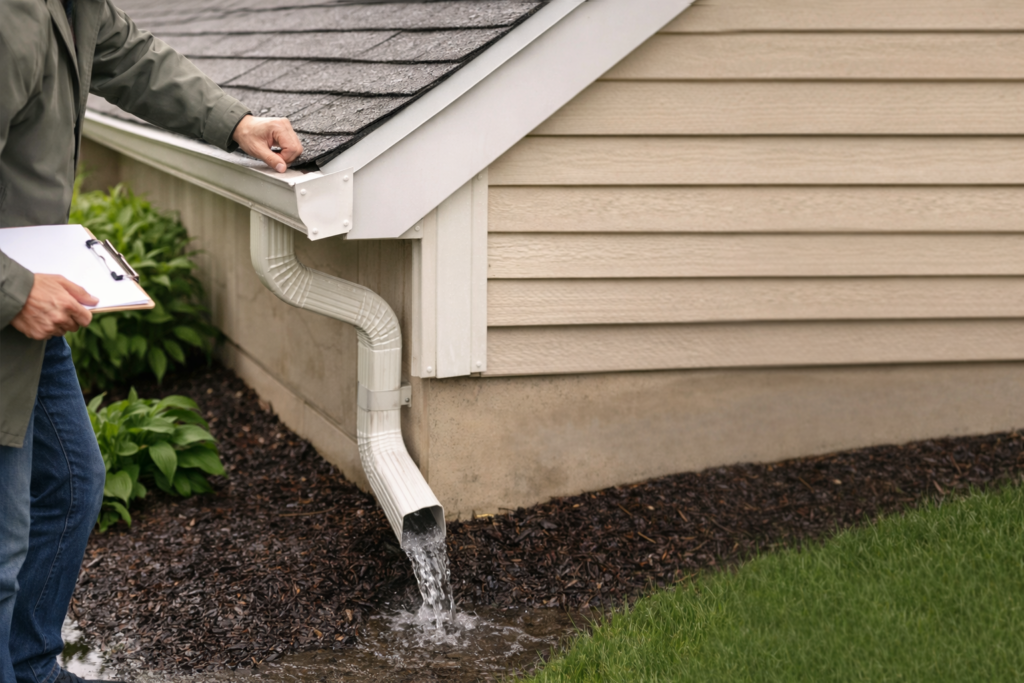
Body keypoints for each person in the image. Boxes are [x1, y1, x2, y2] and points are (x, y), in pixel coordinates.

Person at [0, 2, 303, 683]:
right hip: (11, 302)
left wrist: (234, 123)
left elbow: (134, 58)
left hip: (28, 314)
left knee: (74, 483)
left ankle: (31, 665)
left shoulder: (71, 6)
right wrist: (16, 290)